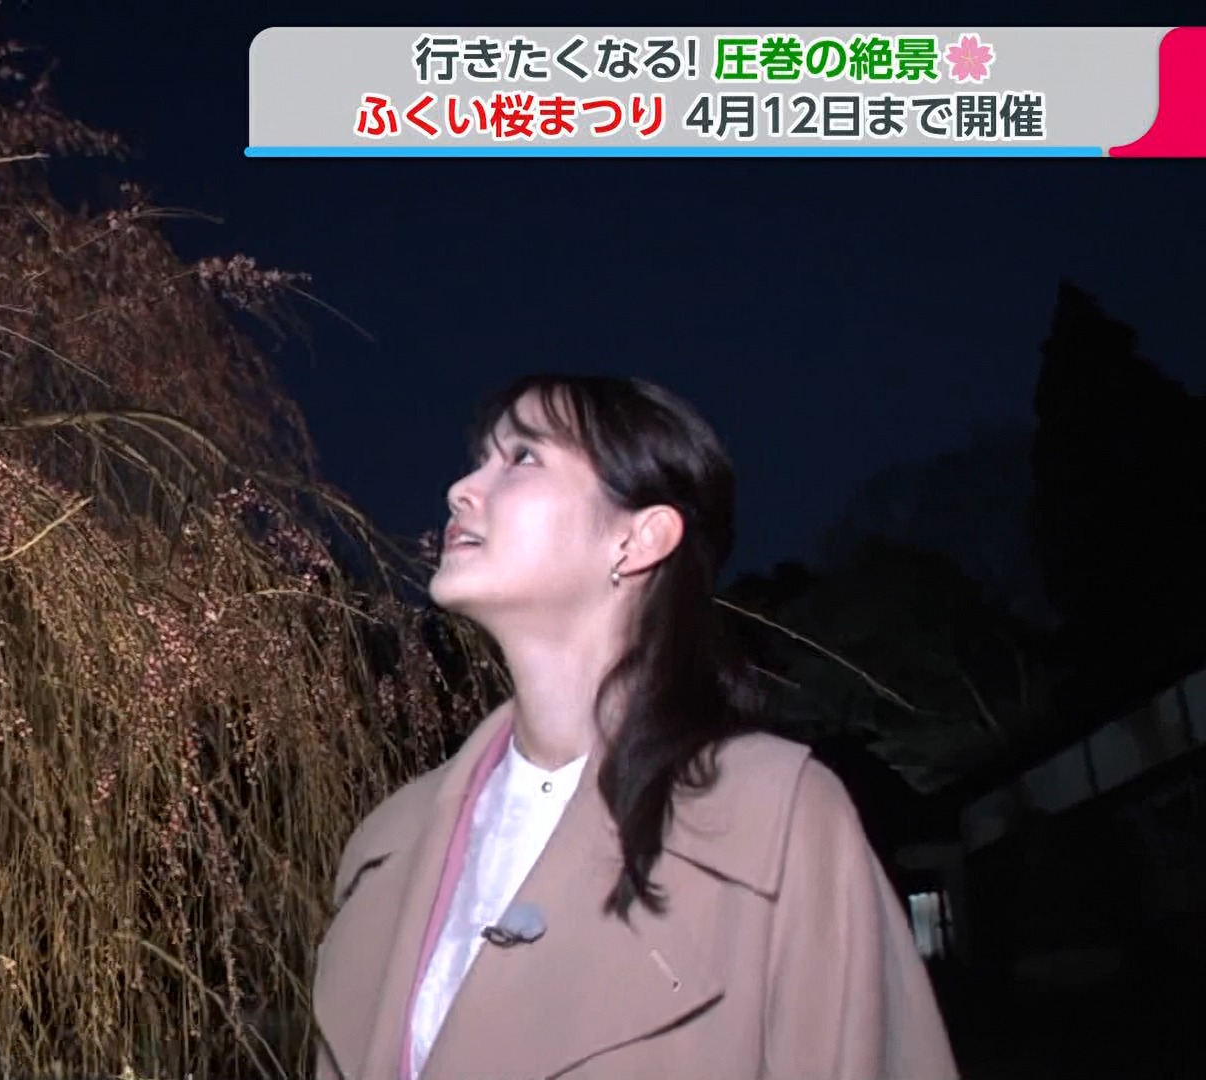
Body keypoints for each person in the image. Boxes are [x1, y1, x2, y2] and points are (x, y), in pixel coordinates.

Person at [310, 375, 958, 1080]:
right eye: (479, 461)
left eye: (522, 457)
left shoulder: (777, 819)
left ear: (639, 537)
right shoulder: (387, 842)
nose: (461, 489)